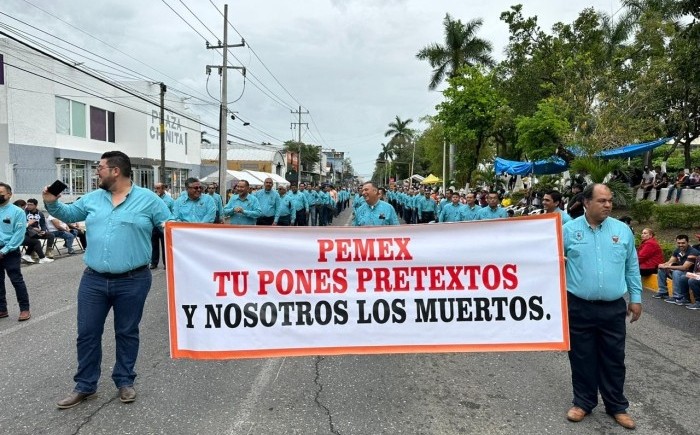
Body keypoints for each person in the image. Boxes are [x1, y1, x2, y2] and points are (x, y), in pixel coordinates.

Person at [44, 151, 171, 408]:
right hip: (93, 280)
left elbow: (170, 227)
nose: (96, 172)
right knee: (87, 333)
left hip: (133, 280)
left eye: (99, 167)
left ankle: (124, 380)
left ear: (115, 171)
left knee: (127, 331)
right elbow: (68, 214)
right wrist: (51, 202)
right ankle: (85, 385)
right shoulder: (93, 198)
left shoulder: (149, 200)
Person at [563, 183, 641, 430]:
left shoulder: (622, 231)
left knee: (614, 358)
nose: (608, 205)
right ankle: (583, 402)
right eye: (602, 200)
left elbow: (631, 266)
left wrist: (636, 298)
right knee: (581, 356)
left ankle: (617, 406)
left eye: (610, 200)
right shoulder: (568, 231)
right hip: (578, 306)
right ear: (586, 202)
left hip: (612, 308)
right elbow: (552, 264)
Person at [0, 182, 32, 321]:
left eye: (1, 193)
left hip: (10, 251)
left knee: (16, 280)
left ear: (9, 194)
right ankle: (2, 309)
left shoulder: (17, 212)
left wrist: (4, 250)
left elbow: (19, 234)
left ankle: (24, 309)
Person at [653, 234, 698, 301]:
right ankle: (663, 292)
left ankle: (677, 296)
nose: (680, 245)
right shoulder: (678, 250)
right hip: (681, 271)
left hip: (690, 273)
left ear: (688, 242)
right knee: (662, 270)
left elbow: (684, 267)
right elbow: (670, 261)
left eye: (683, 243)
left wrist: (668, 266)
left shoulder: (693, 252)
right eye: (678, 243)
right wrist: (663, 265)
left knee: (676, 272)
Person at [151, 183, 175, 270]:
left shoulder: (169, 200)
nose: (156, 190)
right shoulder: (152, 199)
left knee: (165, 245)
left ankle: (166, 263)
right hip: (154, 225)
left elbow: (173, 212)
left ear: (163, 189)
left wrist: (170, 222)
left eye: (158, 188)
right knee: (154, 245)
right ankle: (154, 263)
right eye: (155, 188)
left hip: (164, 225)